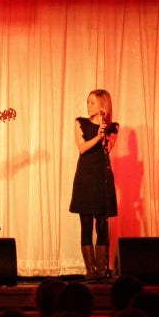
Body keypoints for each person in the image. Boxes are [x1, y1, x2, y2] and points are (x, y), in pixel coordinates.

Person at [69, 89, 119, 280]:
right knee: (86, 225)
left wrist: (104, 133)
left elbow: (108, 148)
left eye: (92, 102)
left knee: (102, 226)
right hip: (85, 178)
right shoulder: (80, 122)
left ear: (102, 106)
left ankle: (101, 269)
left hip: (102, 179)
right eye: (87, 102)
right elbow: (82, 148)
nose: (88, 105)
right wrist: (97, 136)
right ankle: (90, 271)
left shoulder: (113, 127)